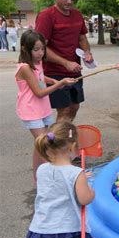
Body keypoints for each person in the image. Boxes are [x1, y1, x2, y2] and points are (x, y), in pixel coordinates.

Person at [24, 122, 95, 238]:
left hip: (42, 226)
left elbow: (56, 182)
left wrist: (79, 177)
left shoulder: (42, 169)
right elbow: (84, 199)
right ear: (73, 146)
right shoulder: (76, 173)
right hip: (65, 227)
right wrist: (92, 193)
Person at [15, 30, 77, 182]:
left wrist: (53, 81)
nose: (40, 53)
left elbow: (41, 77)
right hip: (31, 111)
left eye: (42, 49)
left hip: (42, 109)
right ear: (25, 48)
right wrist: (61, 83)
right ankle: (52, 179)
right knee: (47, 144)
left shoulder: (37, 63)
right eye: (36, 49)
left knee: (40, 145)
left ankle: (38, 179)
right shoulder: (24, 68)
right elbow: (39, 92)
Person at [35, 0, 94, 123]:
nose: (69, 1)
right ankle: (55, 143)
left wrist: (87, 52)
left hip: (74, 71)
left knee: (74, 106)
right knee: (64, 109)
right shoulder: (46, 16)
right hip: (54, 72)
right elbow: (41, 48)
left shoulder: (77, 15)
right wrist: (65, 63)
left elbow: (82, 39)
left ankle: (59, 137)